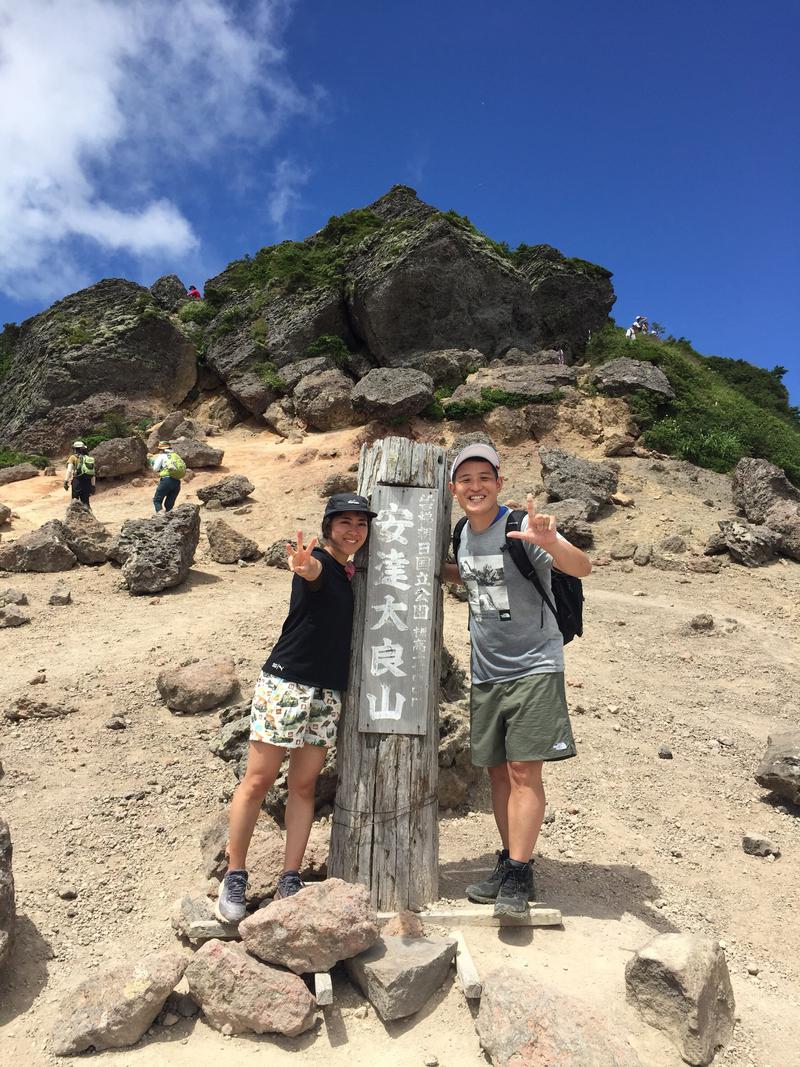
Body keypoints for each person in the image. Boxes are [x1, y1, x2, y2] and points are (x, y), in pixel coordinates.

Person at [443, 443, 592, 917]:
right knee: (497, 772)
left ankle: (520, 876)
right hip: (486, 671)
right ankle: (509, 863)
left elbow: (581, 566)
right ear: (454, 490)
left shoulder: (524, 527)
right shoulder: (462, 533)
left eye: (484, 477)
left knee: (525, 771)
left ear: (499, 483)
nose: (475, 486)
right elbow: (470, 576)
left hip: (534, 666)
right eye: (465, 479)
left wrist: (551, 542)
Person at [216, 493, 377, 922]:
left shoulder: (351, 569)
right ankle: (234, 875)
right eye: (344, 522)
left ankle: (290, 876)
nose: (353, 531)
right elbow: (312, 574)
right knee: (259, 779)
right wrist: (304, 566)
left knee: (304, 786)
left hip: (327, 692)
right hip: (287, 684)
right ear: (327, 526)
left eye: (360, 524)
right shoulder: (321, 562)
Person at [149, 441, 185, 513]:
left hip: (166, 480)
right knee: (169, 504)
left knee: (157, 500)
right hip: (177, 481)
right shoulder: (176, 455)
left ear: (162, 449)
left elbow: (155, 469)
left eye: (159, 449)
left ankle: (160, 516)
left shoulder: (162, 456)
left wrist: (152, 462)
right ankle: (169, 518)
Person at [64, 441, 96, 508]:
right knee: (86, 503)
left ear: (75, 449)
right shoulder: (88, 458)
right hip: (87, 481)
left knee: (75, 503)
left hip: (77, 481)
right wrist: (93, 485)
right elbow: (93, 473)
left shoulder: (73, 457)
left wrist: (66, 481)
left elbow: (69, 470)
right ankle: (88, 517)